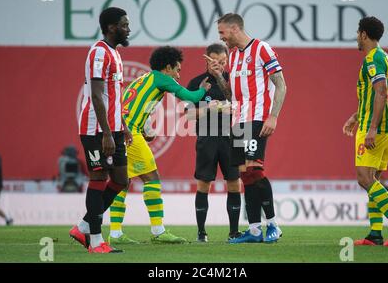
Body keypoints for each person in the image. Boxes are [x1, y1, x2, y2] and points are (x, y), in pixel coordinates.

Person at [108, 46, 211, 245]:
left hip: (120, 131)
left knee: (123, 182)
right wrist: (203, 90)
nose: (179, 75)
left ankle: (115, 233)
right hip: (130, 134)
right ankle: (158, 230)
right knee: (152, 178)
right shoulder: (162, 78)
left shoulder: (141, 80)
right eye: (177, 70)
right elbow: (190, 98)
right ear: (167, 68)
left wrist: (145, 128)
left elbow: (129, 106)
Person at [211, 13, 287, 244]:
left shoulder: (262, 48)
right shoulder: (233, 57)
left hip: (258, 118)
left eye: (222, 33)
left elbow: (281, 85)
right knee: (245, 175)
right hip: (239, 120)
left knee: (255, 170)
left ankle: (273, 224)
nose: (221, 38)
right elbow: (231, 95)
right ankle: (254, 230)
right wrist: (218, 76)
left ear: (234, 29)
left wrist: (273, 117)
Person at [69, 7, 133, 254]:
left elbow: (113, 97)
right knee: (98, 178)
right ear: (111, 27)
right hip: (96, 129)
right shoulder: (98, 53)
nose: (128, 29)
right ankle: (95, 241)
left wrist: (123, 127)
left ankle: (84, 225)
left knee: (120, 179)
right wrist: (106, 132)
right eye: (124, 25)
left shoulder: (114, 53)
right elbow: (96, 96)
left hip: (114, 128)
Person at [342, 16, 388, 246]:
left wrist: (370, 127)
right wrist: (356, 115)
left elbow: (381, 92)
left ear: (363, 34)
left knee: (364, 178)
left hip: (376, 127)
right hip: (385, 123)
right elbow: (376, 95)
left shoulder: (373, 59)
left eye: (357, 33)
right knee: (374, 178)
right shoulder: (386, 58)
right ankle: (375, 234)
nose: (356, 38)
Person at [186, 43, 242, 242]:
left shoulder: (234, 81)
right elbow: (190, 116)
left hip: (233, 136)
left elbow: (244, 107)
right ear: (206, 60)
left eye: (223, 62)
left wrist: (232, 108)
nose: (220, 65)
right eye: (215, 61)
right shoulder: (196, 83)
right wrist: (211, 108)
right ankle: (201, 233)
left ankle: (234, 233)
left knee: (235, 183)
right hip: (207, 138)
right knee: (204, 184)